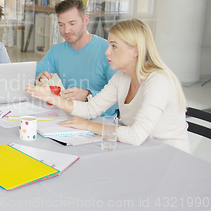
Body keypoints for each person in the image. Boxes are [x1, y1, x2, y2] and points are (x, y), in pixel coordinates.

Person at [26, 18, 190, 152]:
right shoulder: (122, 78)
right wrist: (49, 97)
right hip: (143, 151)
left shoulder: (158, 81)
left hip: (171, 157)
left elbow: (135, 135)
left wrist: (89, 125)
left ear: (136, 51)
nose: (107, 52)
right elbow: (91, 109)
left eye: (114, 46)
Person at [35, 0, 117, 117]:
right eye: (61, 25)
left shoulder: (108, 51)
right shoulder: (56, 51)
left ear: (86, 20)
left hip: (103, 121)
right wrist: (39, 79)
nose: (66, 30)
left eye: (72, 24)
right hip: (72, 116)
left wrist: (88, 95)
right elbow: (33, 76)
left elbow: (123, 99)